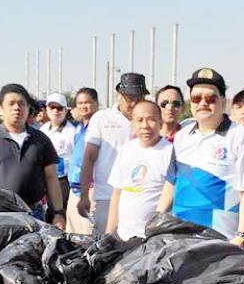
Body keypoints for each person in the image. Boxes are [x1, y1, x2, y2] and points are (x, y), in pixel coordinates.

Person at [156, 68, 244, 244]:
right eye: (197, 98)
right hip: (179, 238)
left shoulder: (241, 136)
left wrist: (242, 235)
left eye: (210, 98)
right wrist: (157, 219)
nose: (203, 103)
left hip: (221, 240)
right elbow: (171, 182)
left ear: (223, 101)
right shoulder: (182, 136)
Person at [0, 83, 65, 228]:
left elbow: (51, 179)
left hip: (33, 214)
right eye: (11, 103)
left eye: (21, 104)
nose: (17, 108)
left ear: (28, 108)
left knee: (34, 250)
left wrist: (58, 213)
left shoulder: (41, 140)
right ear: (0, 108)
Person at [77, 73, 147, 234]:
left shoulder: (148, 119)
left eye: (139, 97)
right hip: (106, 197)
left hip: (140, 198)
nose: (134, 102)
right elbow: (88, 158)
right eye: (129, 97)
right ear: (119, 95)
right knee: (105, 248)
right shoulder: (102, 118)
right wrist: (83, 195)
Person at [105, 101, 173, 239]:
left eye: (151, 120)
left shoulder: (170, 152)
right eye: (139, 120)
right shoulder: (126, 150)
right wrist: (109, 234)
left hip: (153, 239)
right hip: (123, 236)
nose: (145, 126)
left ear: (161, 122)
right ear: (132, 123)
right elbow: (117, 193)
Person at [66, 87, 100, 234]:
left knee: (88, 233)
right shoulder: (79, 129)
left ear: (96, 103)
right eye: (79, 103)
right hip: (74, 190)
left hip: (90, 190)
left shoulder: (99, 127)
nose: (83, 106)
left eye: (87, 102)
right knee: (72, 235)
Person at [41, 92, 77, 219]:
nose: (55, 111)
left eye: (59, 108)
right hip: (44, 180)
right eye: (52, 107)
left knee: (61, 216)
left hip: (64, 182)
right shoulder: (43, 130)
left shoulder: (72, 132)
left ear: (66, 111)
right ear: (47, 109)